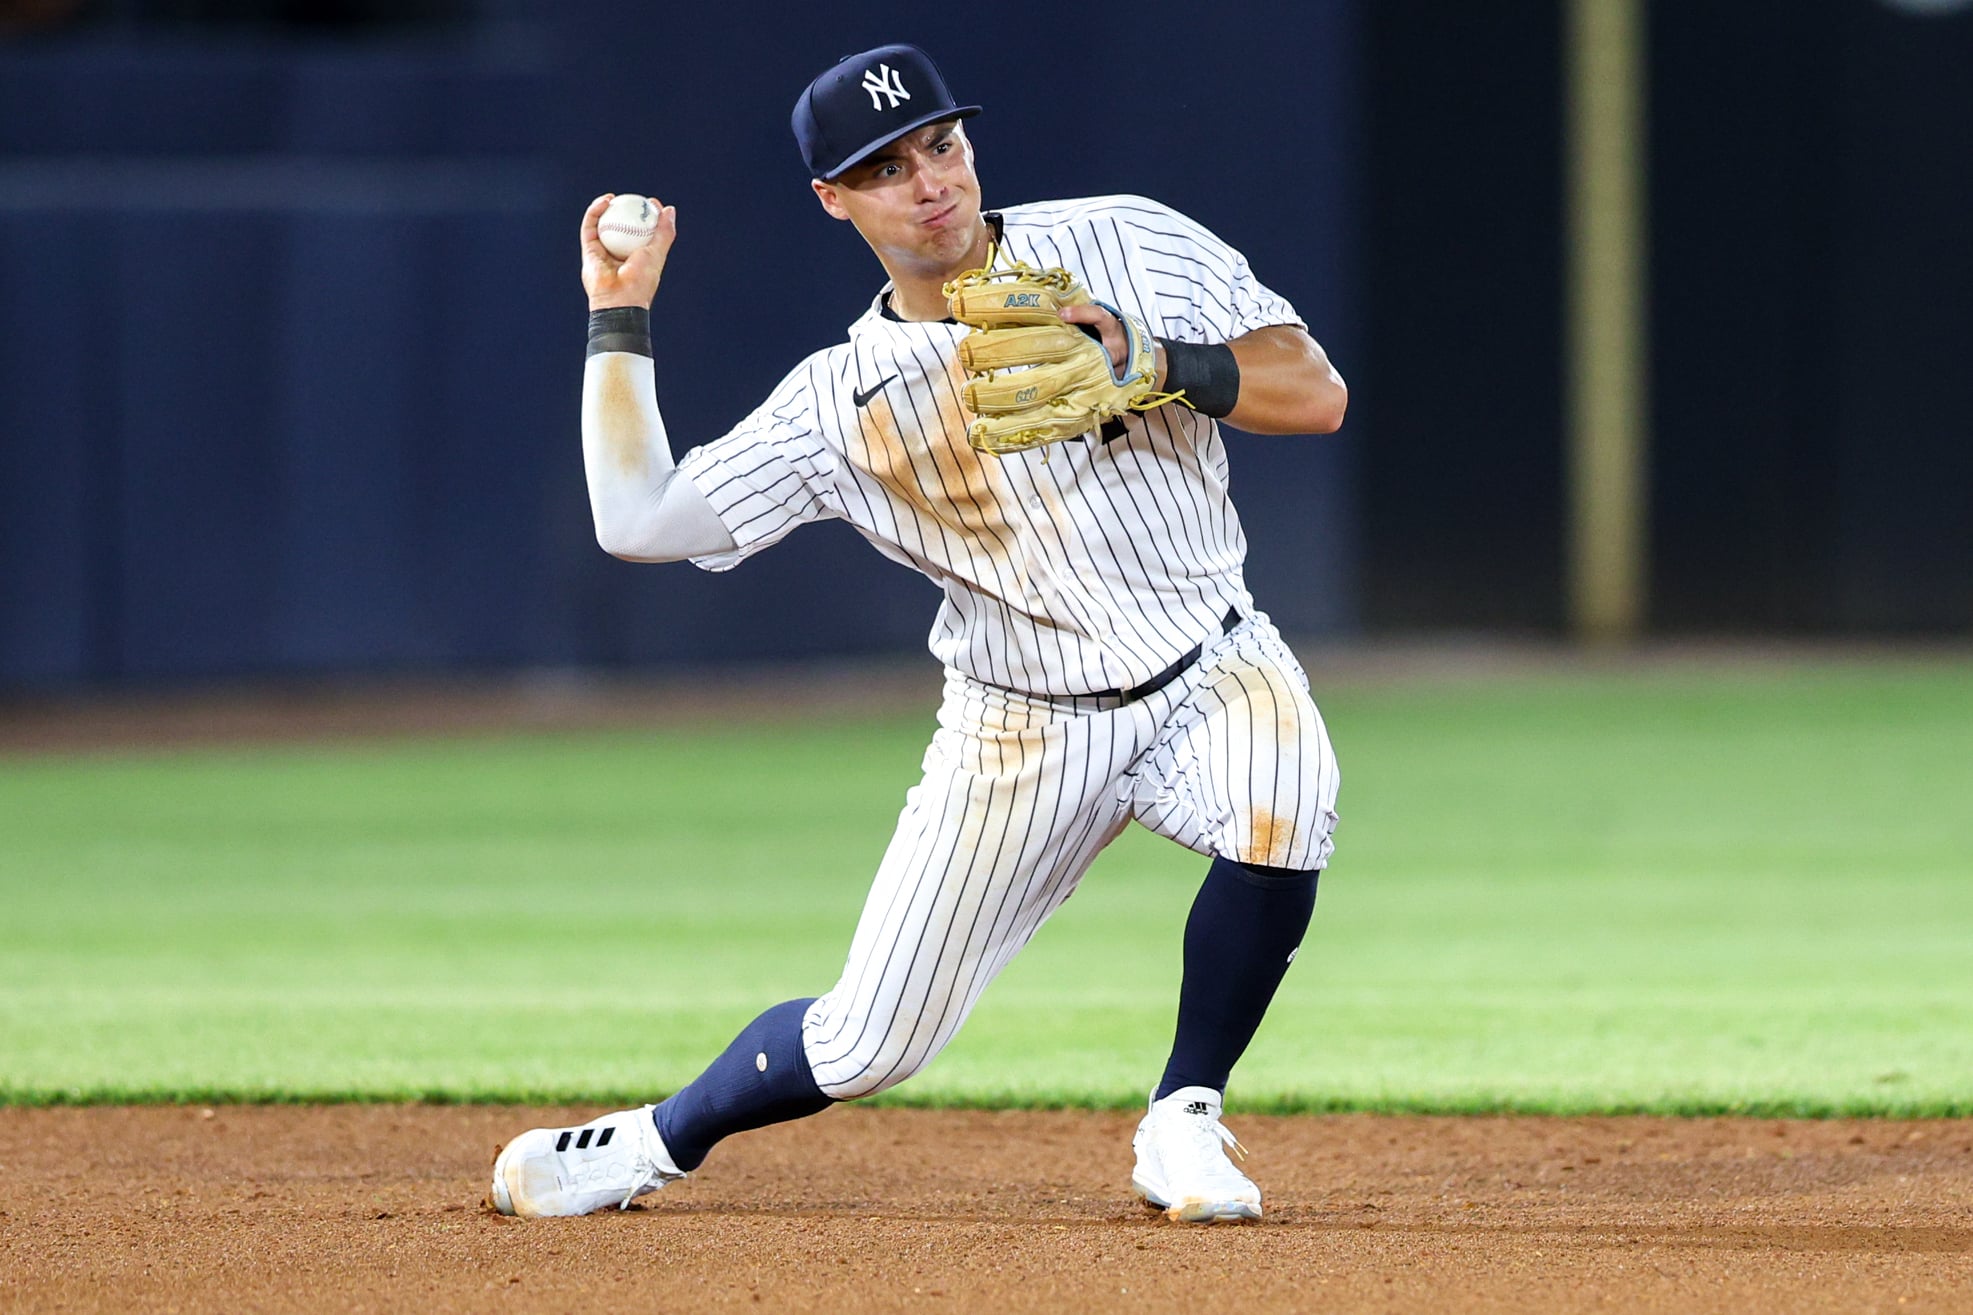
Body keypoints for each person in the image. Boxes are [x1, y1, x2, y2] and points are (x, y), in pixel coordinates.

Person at [489, 43, 1347, 1225]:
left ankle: (1183, 1115)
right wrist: (619, 314)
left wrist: (1148, 362)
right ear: (832, 201)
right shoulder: (837, 401)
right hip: (1017, 725)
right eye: (885, 168)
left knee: (1284, 791)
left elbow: (1313, 390)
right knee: (864, 1044)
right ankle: (647, 1140)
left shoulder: (1124, 242)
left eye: (939, 144)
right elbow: (637, 519)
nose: (929, 180)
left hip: (1209, 661)